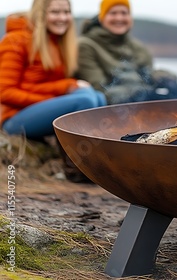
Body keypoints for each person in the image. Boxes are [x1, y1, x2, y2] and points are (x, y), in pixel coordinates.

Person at [0, 0, 107, 182]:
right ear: (41, 14)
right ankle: (76, 169)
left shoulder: (56, 42)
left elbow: (46, 84)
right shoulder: (15, 40)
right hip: (13, 119)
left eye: (66, 12)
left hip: (37, 110)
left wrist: (64, 88)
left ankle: (93, 166)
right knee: (86, 101)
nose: (63, 18)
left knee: (98, 97)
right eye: (55, 12)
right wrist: (61, 90)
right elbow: (5, 92)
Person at [76, 0, 177, 105]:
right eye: (113, 13)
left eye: (124, 13)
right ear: (102, 18)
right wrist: (142, 94)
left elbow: (146, 75)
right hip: (110, 114)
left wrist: (165, 78)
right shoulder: (86, 46)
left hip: (139, 107)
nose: (119, 18)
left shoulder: (138, 48)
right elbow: (100, 89)